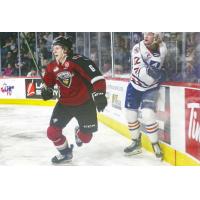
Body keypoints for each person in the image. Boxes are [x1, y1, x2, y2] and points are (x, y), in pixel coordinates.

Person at [41, 36, 107, 165]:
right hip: (64, 104)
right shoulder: (52, 66)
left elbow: (97, 77)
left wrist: (99, 94)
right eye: (53, 48)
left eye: (57, 48)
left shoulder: (79, 61)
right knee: (52, 132)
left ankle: (79, 132)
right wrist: (46, 90)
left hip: (85, 104)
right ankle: (66, 153)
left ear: (65, 50)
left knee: (86, 138)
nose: (54, 51)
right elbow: (48, 82)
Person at [124, 32, 167, 160]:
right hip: (134, 85)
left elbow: (154, 72)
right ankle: (136, 142)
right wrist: (158, 73)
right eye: (145, 34)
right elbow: (143, 75)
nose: (145, 37)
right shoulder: (137, 47)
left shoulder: (162, 49)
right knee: (130, 115)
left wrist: (160, 73)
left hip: (151, 88)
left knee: (148, 115)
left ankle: (155, 143)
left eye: (149, 34)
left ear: (157, 37)